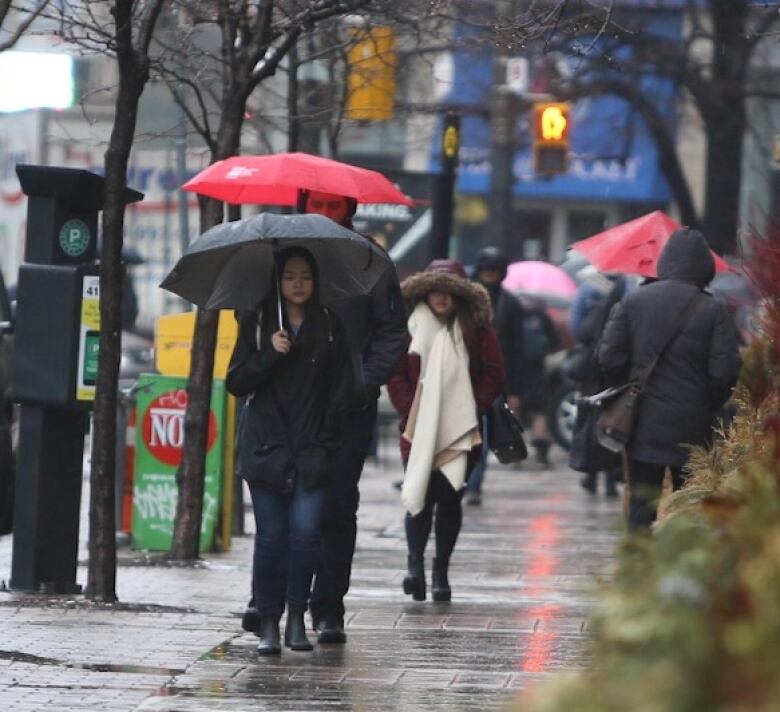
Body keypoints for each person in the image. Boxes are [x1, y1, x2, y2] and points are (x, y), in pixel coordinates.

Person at [227, 247, 351, 655]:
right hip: (265, 448)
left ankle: (297, 617)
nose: (298, 284)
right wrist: (269, 354)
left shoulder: (330, 325)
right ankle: (268, 621)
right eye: (289, 276)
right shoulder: (260, 321)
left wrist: (328, 441)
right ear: (277, 282)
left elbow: (342, 390)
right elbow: (236, 381)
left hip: (312, 449)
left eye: (306, 277)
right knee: (271, 538)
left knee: (305, 536)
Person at [300, 189, 408, 644]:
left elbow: (392, 332)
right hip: (292, 405)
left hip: (348, 405)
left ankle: (328, 608)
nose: (324, 215)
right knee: (288, 507)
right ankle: (277, 601)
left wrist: (366, 382)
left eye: (333, 206)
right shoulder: (283, 253)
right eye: (317, 205)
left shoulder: (370, 259)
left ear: (349, 209)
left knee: (337, 507)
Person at [598, 228, 741, 530]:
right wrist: (706, 402)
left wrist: (629, 386)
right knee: (689, 506)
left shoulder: (634, 301)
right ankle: (679, 570)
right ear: (704, 267)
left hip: (642, 419)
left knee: (641, 502)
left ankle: (638, 564)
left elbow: (608, 356)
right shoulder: (713, 308)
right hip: (693, 423)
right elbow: (726, 370)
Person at [388, 260, 505, 601]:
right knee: (419, 495)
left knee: (450, 498)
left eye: (449, 291)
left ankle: (440, 570)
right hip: (417, 428)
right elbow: (395, 376)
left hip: (461, 429)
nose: (441, 298)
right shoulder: (409, 327)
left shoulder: (476, 330)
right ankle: (415, 567)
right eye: (435, 290)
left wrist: (469, 407)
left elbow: (494, 374)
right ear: (425, 293)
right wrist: (414, 408)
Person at [466, 246, 525, 505]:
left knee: (483, 435)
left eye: (495, 270)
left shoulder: (510, 304)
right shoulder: (465, 298)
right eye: (486, 269)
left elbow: (516, 348)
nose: (490, 274)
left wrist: (514, 389)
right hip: (463, 376)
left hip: (493, 379)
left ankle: (474, 486)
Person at [567, 272, 627, 497]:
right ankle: (612, 479)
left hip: (592, 369)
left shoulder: (588, 289)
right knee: (614, 421)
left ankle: (590, 475)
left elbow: (576, 328)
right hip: (618, 370)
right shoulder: (629, 288)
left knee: (590, 419)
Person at [518, 294, 559, 467]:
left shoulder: (512, 310)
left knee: (514, 410)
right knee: (539, 411)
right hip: (537, 369)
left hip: (515, 368)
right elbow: (554, 341)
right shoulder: (542, 315)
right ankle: (541, 454)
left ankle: (515, 454)